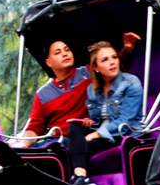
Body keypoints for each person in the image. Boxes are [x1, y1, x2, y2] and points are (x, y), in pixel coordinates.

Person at [13, 33, 141, 148]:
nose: (65, 54)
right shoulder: (42, 94)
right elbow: (34, 127)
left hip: (84, 134)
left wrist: (127, 49)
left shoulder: (89, 74)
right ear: (48, 62)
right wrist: (23, 144)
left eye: (67, 50)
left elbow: (112, 68)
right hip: (55, 141)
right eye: (58, 52)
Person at [67, 41, 144, 185]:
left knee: (81, 144)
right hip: (103, 133)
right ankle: (80, 177)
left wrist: (95, 134)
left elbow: (125, 121)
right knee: (74, 127)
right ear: (96, 68)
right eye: (105, 60)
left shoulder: (131, 83)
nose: (112, 62)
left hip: (124, 133)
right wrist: (90, 122)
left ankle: (79, 179)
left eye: (114, 57)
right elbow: (97, 119)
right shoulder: (92, 89)